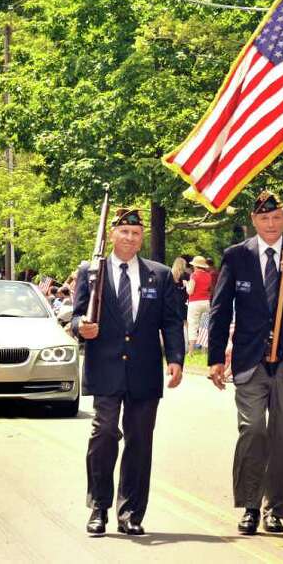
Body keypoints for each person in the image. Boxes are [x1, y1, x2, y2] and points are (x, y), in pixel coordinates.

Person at [207, 190, 283, 535]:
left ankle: (275, 508)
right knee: (253, 430)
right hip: (250, 359)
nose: (271, 224)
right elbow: (219, 310)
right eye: (264, 218)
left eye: (277, 218)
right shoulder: (236, 256)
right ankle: (248, 505)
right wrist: (216, 358)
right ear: (254, 220)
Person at [71, 208, 184, 537]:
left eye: (136, 233)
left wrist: (175, 357)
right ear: (112, 235)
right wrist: (82, 327)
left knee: (139, 442)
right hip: (105, 366)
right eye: (124, 232)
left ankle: (131, 512)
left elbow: (171, 321)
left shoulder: (159, 275)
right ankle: (98, 507)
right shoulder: (92, 271)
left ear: (142, 237)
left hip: (144, 370)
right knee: (104, 434)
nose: (130, 238)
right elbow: (76, 316)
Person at [186, 255, 213, 352]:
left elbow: (190, 291)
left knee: (193, 325)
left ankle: (191, 351)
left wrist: (187, 284)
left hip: (194, 302)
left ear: (195, 266)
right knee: (205, 326)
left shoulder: (194, 275)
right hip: (206, 302)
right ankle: (204, 350)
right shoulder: (208, 275)